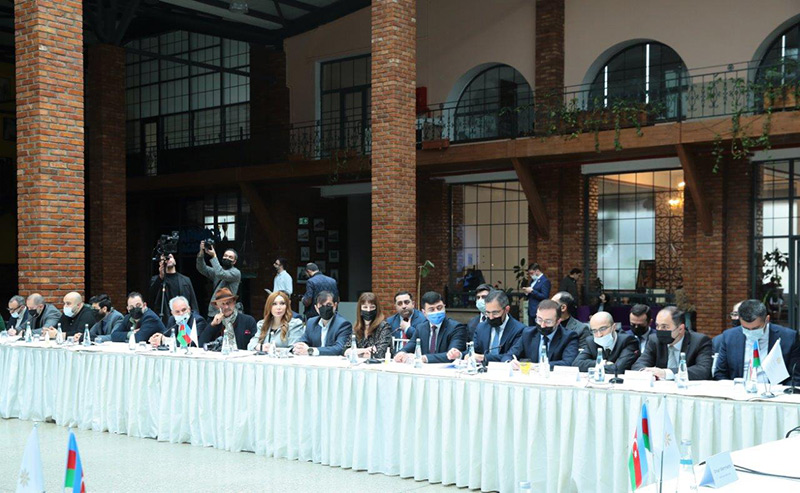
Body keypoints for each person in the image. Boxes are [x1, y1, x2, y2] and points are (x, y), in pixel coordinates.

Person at [713, 299, 800, 384]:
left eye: (756, 328)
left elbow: (795, 377)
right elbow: (720, 373)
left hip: (775, 390)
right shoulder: (729, 337)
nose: (750, 332)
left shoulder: (788, 338)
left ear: (767, 319)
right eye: (745, 328)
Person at [632, 306, 712, 380]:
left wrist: (666, 373)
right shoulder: (654, 340)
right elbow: (639, 364)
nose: (659, 330)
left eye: (664, 327)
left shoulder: (699, 341)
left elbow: (703, 370)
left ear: (680, 329)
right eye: (657, 326)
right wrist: (646, 372)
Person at [448, 289, 524, 364]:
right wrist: (460, 355)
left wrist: (483, 358)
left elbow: (511, 356)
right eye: (487, 312)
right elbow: (474, 351)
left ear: (506, 309)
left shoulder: (519, 330)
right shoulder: (481, 327)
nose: (491, 317)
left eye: (495, 313)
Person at [394, 291, 467, 364]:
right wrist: (401, 353)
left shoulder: (456, 328)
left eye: (439, 308)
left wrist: (424, 358)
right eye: (431, 309)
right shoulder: (421, 328)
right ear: (424, 312)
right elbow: (409, 346)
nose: (436, 312)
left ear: (444, 307)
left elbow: (453, 355)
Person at [507, 299, 579, 369]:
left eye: (548, 322)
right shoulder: (528, 334)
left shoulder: (569, 337)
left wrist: (537, 367)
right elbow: (509, 355)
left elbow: (568, 363)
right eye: (539, 320)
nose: (542, 325)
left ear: (558, 322)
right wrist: (510, 362)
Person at [573, 311, 640, 374]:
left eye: (603, 329)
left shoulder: (628, 341)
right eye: (594, 331)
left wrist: (595, 367)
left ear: (614, 327)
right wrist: (603, 363)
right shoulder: (591, 341)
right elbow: (577, 364)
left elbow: (618, 369)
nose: (599, 335)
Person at [293, 291, 352, 356]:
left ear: (335, 306)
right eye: (321, 305)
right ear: (316, 308)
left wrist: (311, 351)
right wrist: (300, 347)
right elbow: (303, 341)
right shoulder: (311, 322)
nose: (325, 308)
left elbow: (339, 348)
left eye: (328, 305)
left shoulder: (343, 324)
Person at [149, 253, 199, 324]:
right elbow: (152, 297)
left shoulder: (185, 280)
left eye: (170, 257)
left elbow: (193, 302)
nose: (168, 260)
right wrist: (161, 277)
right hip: (165, 321)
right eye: (164, 259)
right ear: (160, 263)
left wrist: (196, 320)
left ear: (174, 260)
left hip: (184, 318)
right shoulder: (156, 280)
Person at [196, 240, 241, 317]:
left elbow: (221, 274)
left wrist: (214, 256)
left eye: (230, 257)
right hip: (213, 312)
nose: (227, 258)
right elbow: (202, 268)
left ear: (234, 262)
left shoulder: (236, 273)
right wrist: (201, 253)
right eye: (225, 256)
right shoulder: (217, 271)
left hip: (226, 313)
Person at [345, 292, 393, 359]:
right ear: (360, 310)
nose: (368, 310)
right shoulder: (356, 328)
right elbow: (346, 351)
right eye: (365, 307)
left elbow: (380, 354)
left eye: (372, 307)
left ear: (376, 309)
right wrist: (364, 350)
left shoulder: (384, 327)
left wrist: (356, 354)